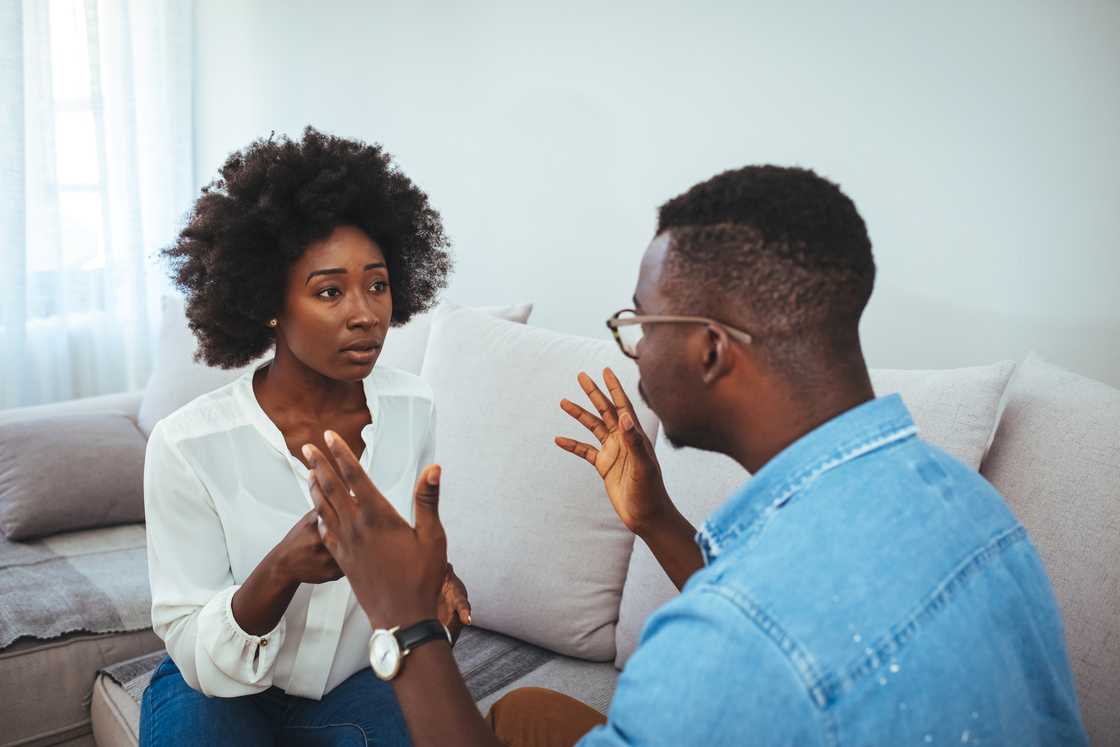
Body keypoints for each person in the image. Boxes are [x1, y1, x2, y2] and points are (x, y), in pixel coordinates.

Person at [302, 165, 1088, 746]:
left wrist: (403, 619)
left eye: (643, 324)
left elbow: (767, 643)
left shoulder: (726, 644)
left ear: (712, 350)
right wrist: (658, 521)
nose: (634, 353)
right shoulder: (969, 502)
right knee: (527, 714)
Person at [140, 127, 469, 746]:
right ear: (271, 303)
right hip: (217, 688)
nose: (366, 313)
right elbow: (189, 638)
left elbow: (409, 570)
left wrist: (436, 591)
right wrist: (282, 569)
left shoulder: (414, 407)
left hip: (361, 678)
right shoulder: (187, 445)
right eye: (329, 291)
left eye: (377, 284)